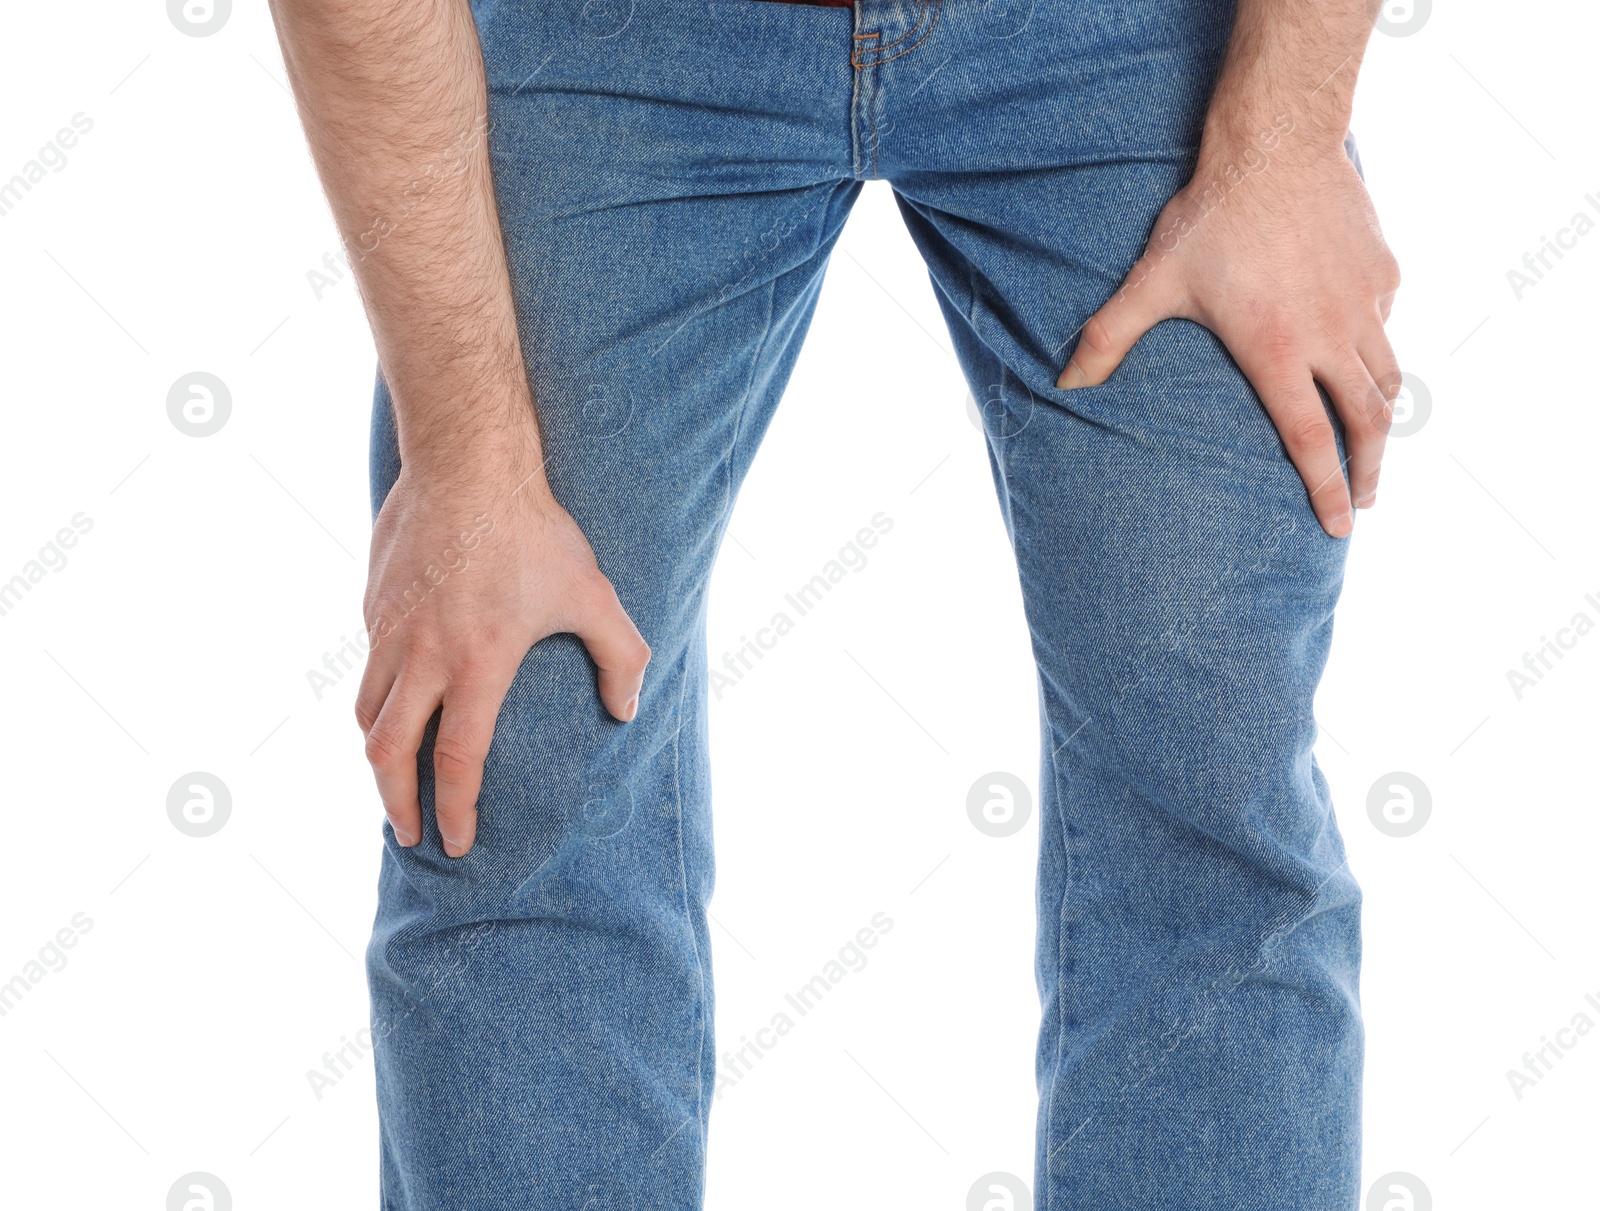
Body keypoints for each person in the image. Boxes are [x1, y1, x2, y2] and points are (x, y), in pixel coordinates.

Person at [268, 0, 1400, 1205]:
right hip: (613, 35)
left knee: (1208, 763)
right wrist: (466, 455)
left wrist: (1284, 141)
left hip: (1139, 38)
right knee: (507, 736)